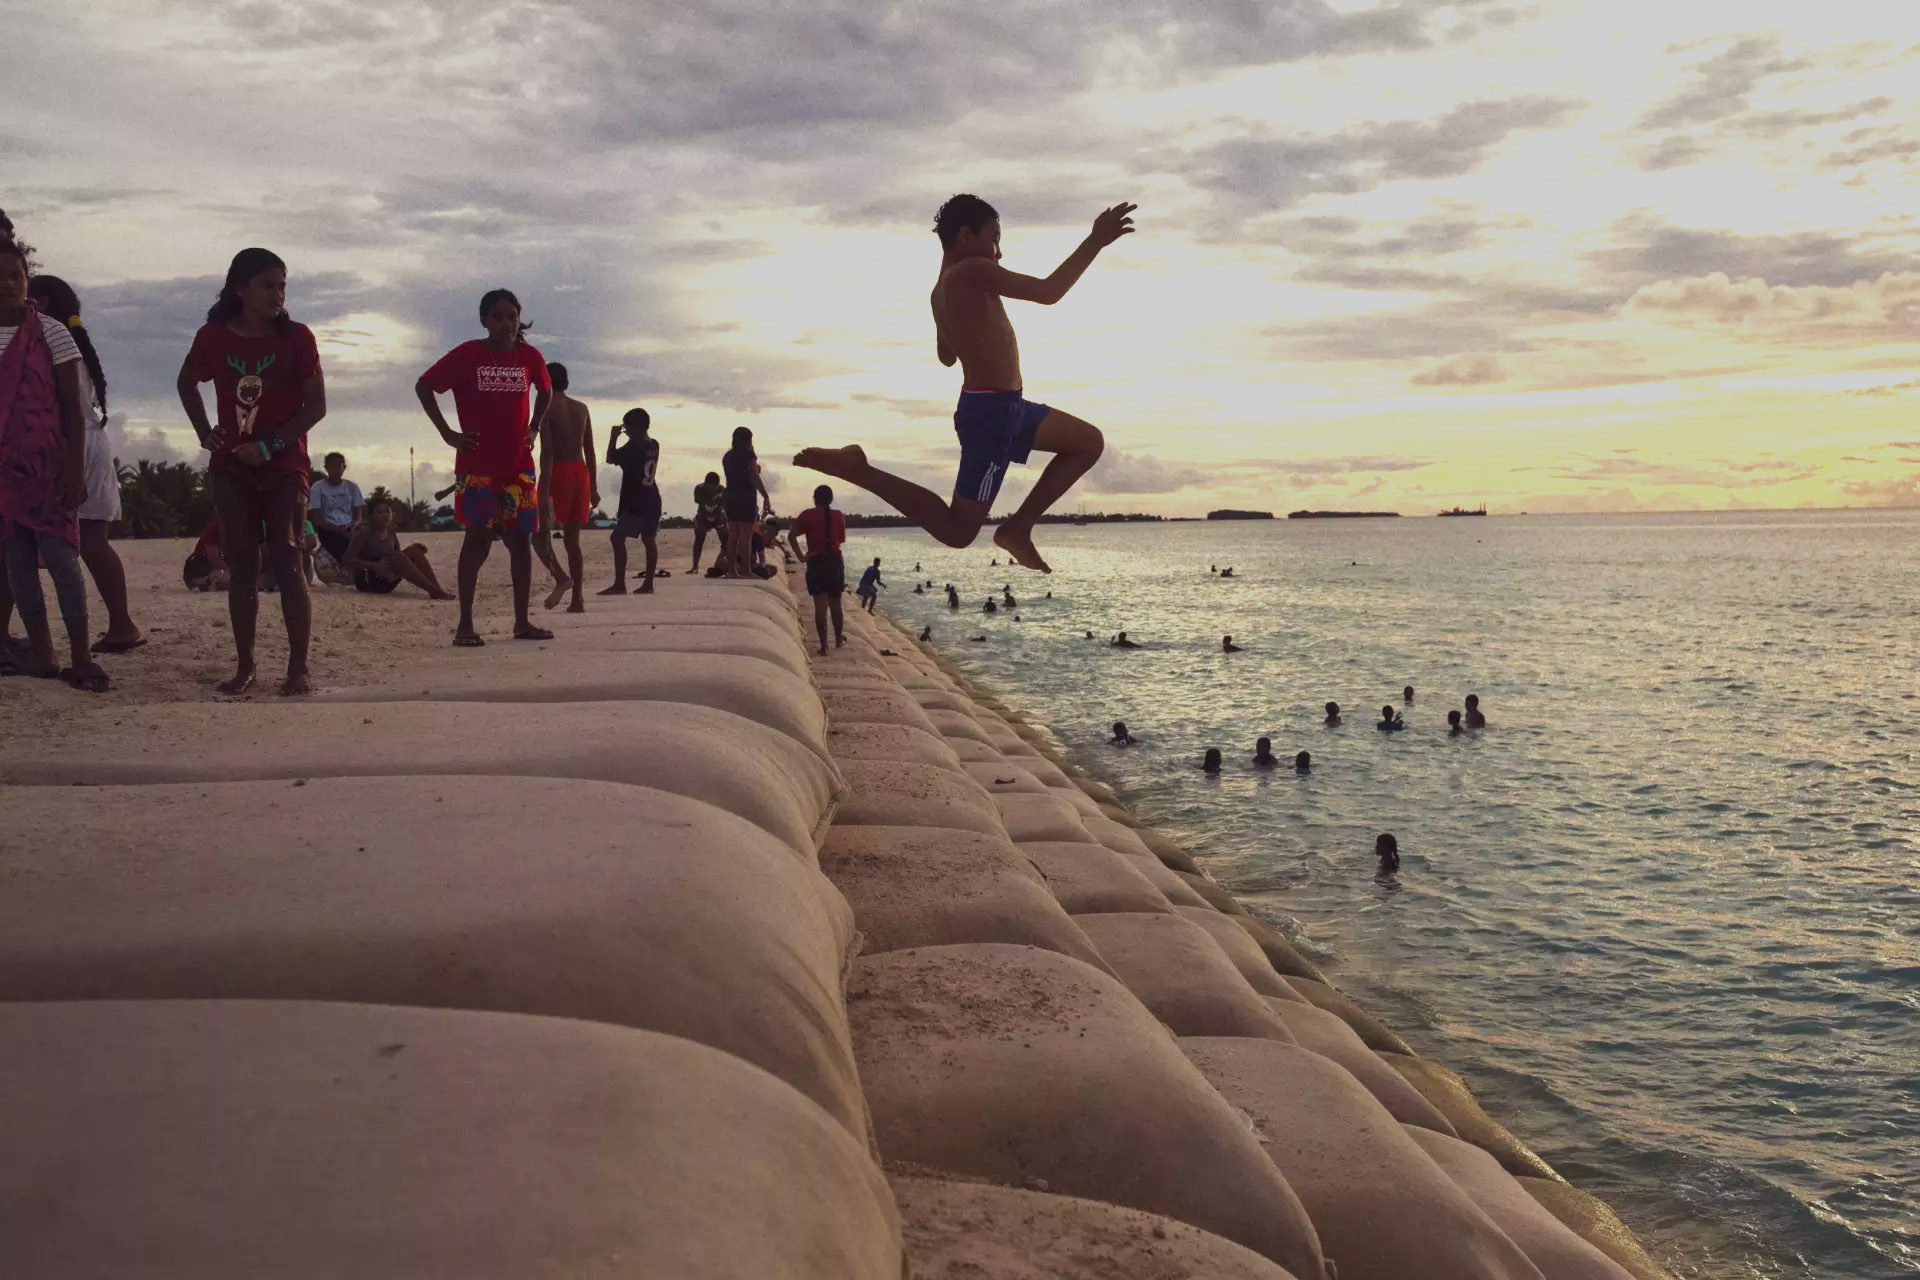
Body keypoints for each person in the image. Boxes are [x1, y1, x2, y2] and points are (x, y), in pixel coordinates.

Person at [793, 195, 1132, 573]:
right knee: (958, 531)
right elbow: (1048, 292)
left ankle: (1018, 528)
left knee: (1088, 442)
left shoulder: (941, 290)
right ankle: (858, 469)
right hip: (992, 415)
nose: (999, 253)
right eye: (995, 239)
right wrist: (1095, 241)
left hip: (1005, 406)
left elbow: (946, 355)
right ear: (967, 237)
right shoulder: (972, 270)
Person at [178, 247, 325, 695]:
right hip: (231, 467)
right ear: (241, 288)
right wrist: (206, 432)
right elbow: (186, 382)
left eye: (282, 285)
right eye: (267, 285)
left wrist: (270, 445)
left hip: (284, 466)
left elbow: (315, 407)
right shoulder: (212, 337)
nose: (278, 294)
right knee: (242, 563)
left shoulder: (298, 337)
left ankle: (297, 668)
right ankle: (246, 667)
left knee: (288, 558)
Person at [416, 287, 553, 646]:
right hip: (477, 466)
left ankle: (522, 622)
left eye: (512, 316)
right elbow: (425, 385)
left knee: (520, 541)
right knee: (476, 540)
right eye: (497, 316)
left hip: (519, 467)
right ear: (484, 320)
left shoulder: (530, 356)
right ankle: (465, 625)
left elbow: (546, 390)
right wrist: (448, 433)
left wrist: (535, 425)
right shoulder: (468, 354)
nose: (506, 323)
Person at [0, 240, 108, 691]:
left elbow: (72, 407)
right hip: (4, 474)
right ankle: (44, 654)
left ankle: (81, 656)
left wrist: (72, 469)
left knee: (63, 559)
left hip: (48, 469)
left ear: (27, 281)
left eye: (14, 275)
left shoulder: (51, 333)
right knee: (17, 564)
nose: (5, 284)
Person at [26, 275, 143, 654]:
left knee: (20, 543)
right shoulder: (73, 340)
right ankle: (122, 624)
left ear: (39, 303)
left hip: (70, 447)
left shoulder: (47, 338)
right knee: (94, 543)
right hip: (90, 443)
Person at [538, 362, 597, 613]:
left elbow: (548, 451)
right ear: (567, 383)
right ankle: (578, 599)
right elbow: (590, 450)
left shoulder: (547, 407)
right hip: (580, 473)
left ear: (545, 383)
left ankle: (561, 577)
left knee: (538, 535)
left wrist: (543, 488)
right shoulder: (582, 408)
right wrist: (593, 485)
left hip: (558, 472)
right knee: (573, 541)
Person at [342, 498, 451, 599]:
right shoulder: (362, 534)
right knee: (399, 556)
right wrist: (372, 565)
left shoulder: (390, 532)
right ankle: (435, 591)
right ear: (371, 515)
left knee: (414, 551)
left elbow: (398, 556)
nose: (384, 515)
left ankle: (436, 590)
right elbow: (347, 560)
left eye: (387, 512)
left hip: (387, 576)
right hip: (368, 581)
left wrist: (415, 552)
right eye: (379, 512)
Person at [601, 407, 659, 596]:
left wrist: (613, 437)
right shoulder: (654, 444)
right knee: (649, 539)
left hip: (636, 501)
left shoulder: (633, 446)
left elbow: (611, 458)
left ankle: (620, 584)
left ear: (634, 428)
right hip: (652, 497)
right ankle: (648, 583)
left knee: (617, 538)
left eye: (627, 429)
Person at [790, 483, 847, 655]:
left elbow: (791, 536)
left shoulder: (807, 515)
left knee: (820, 606)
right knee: (836, 604)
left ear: (815, 498)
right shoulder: (838, 516)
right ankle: (838, 640)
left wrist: (801, 556)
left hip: (816, 562)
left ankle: (824, 646)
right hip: (834, 561)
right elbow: (839, 540)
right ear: (831, 499)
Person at [722, 426, 772, 580]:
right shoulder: (749, 454)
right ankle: (746, 570)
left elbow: (736, 473)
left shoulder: (727, 456)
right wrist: (765, 496)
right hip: (745, 496)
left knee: (733, 535)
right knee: (745, 536)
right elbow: (753, 476)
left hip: (730, 495)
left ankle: (732, 571)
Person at [306, 451, 363, 565]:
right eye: (332, 466)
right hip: (328, 529)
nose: (336, 470)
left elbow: (358, 516)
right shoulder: (318, 488)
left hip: (350, 528)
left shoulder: (352, 487)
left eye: (339, 466)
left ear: (344, 468)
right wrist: (336, 529)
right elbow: (316, 519)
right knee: (343, 550)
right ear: (326, 468)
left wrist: (353, 525)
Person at [691, 471, 726, 573]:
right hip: (704, 514)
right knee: (699, 537)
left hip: (717, 514)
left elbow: (721, 509)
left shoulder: (722, 490)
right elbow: (701, 508)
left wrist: (720, 525)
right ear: (705, 485)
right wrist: (701, 525)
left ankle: (728, 562)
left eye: (715, 487)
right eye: (710, 487)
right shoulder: (699, 489)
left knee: (725, 538)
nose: (713, 489)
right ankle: (695, 566)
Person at [182, 520, 230, 591]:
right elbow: (213, 558)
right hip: (198, 569)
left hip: (210, 567)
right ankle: (210, 582)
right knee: (230, 578)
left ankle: (215, 583)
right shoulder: (214, 528)